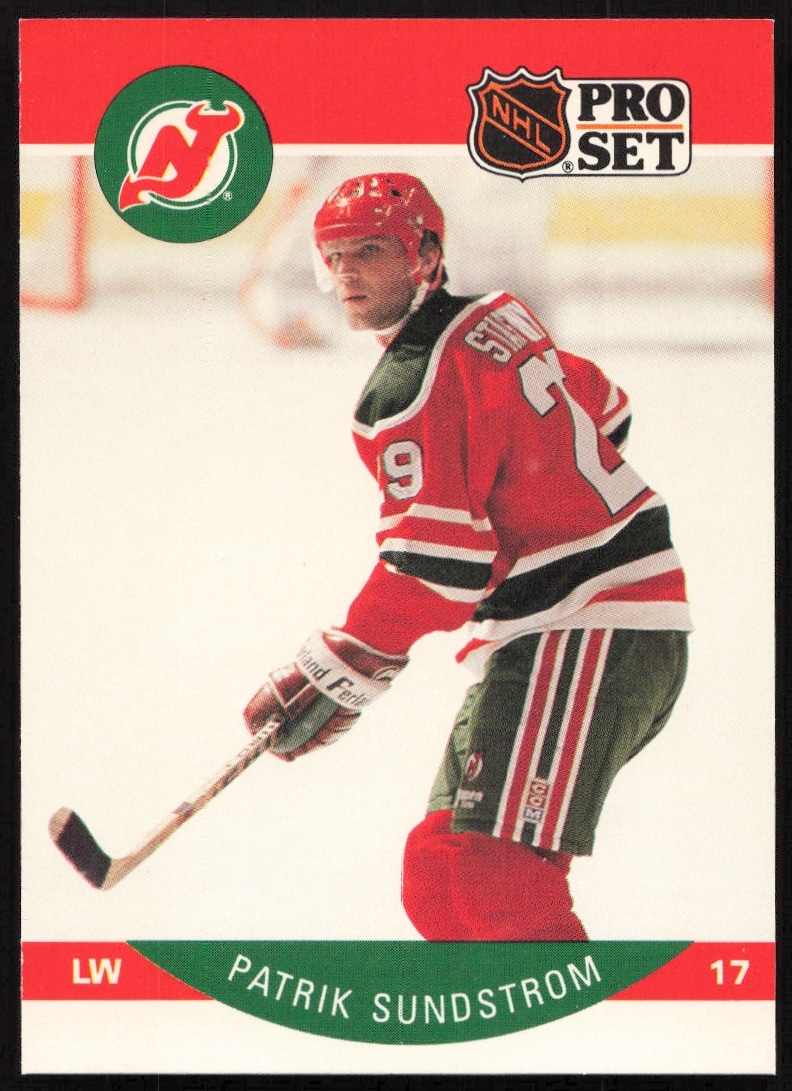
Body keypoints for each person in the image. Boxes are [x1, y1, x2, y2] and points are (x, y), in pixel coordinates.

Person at [244, 172, 692, 941]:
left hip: (593, 624)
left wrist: (339, 661)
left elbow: (441, 568)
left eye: (370, 252)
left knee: (493, 873)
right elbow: (606, 405)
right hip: (563, 629)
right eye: (334, 256)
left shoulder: (406, 389)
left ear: (425, 256)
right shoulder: (498, 314)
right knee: (442, 876)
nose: (346, 273)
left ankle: (586, 1018)